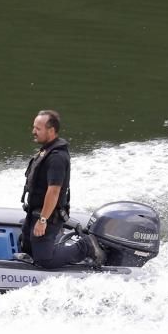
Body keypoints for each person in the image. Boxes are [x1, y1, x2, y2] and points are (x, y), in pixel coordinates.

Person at [19, 110, 104, 269]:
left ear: (51, 131)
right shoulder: (46, 150)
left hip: (49, 215)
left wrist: (43, 220)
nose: (33, 132)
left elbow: (54, 191)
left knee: (45, 260)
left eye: (38, 129)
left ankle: (85, 246)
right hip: (34, 210)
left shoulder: (57, 157)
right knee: (25, 247)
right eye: (34, 127)